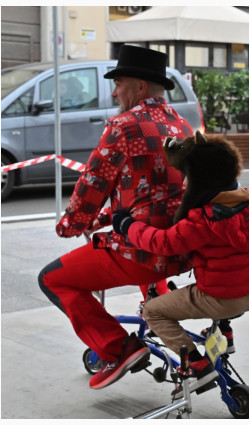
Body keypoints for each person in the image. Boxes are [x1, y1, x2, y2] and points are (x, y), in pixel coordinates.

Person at [38, 45, 193, 390]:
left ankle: (118, 348)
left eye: (119, 83)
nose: (113, 91)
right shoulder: (181, 124)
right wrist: (108, 217)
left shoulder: (125, 125)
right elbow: (159, 192)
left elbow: (92, 183)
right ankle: (167, 328)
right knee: (144, 256)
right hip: (180, 248)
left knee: (52, 278)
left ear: (139, 87)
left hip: (142, 252)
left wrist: (70, 225)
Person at [110, 132, 249, 398]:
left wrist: (128, 225)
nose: (184, 182)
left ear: (203, 181)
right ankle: (223, 334)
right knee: (224, 276)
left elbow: (162, 242)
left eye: (188, 176)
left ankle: (197, 366)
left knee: (153, 311)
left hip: (222, 297)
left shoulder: (205, 219)